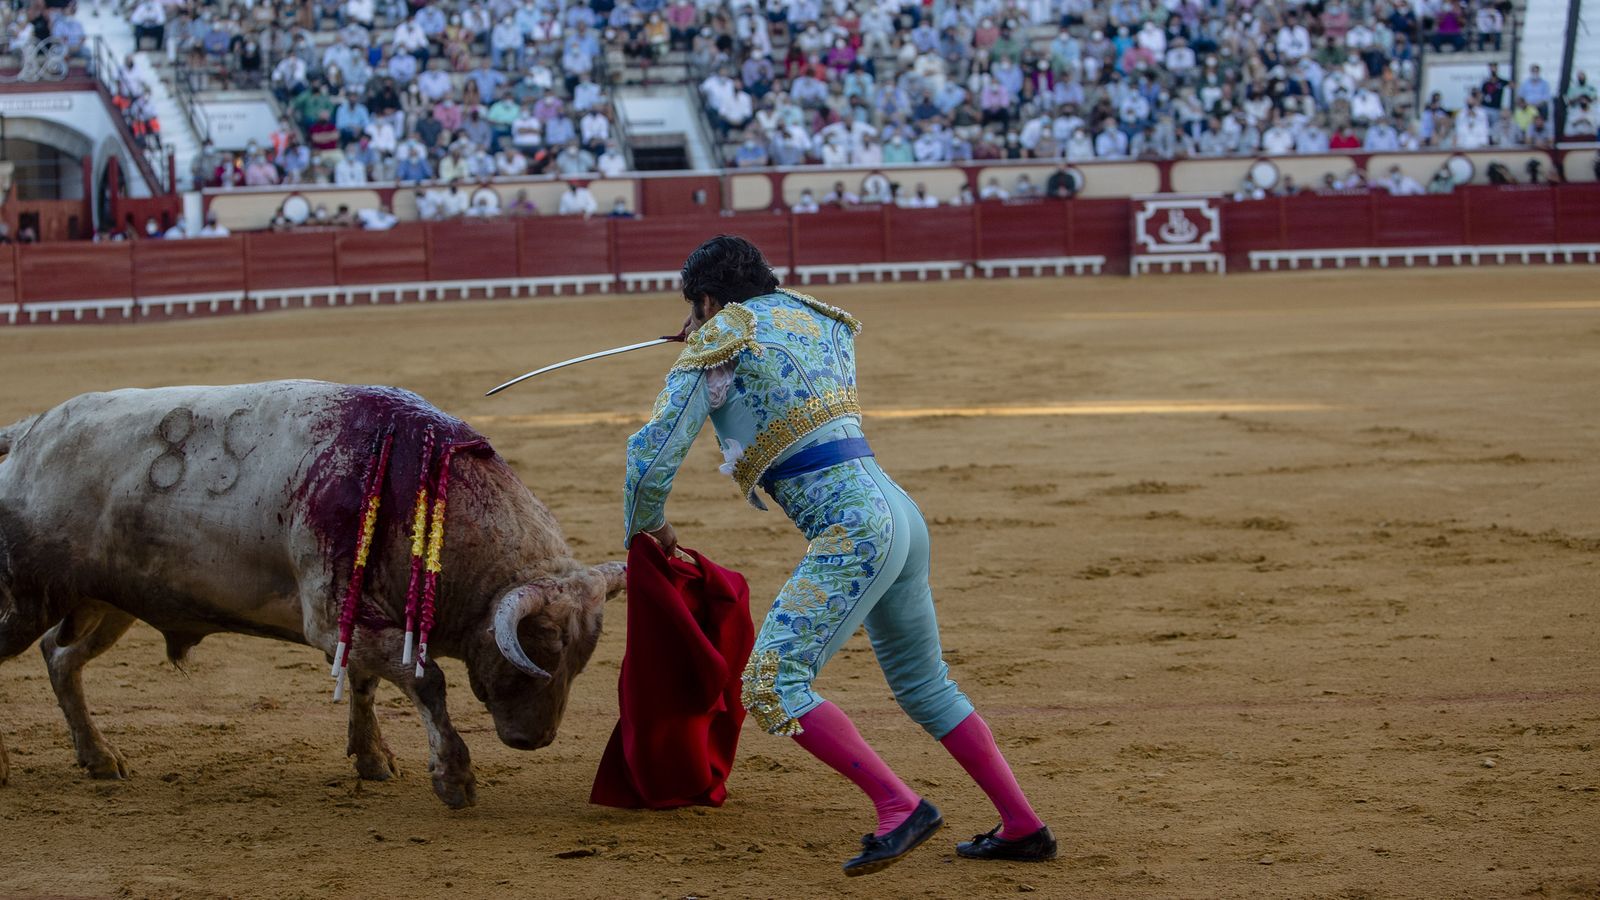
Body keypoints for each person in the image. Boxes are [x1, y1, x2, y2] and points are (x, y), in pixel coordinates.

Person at [622, 236, 1054, 876]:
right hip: (899, 515)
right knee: (927, 685)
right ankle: (1022, 825)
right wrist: (708, 339)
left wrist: (648, 527)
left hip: (853, 529)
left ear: (706, 300)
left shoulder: (717, 341)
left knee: (774, 683)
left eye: (695, 308)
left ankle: (899, 806)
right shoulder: (813, 317)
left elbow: (653, 457)